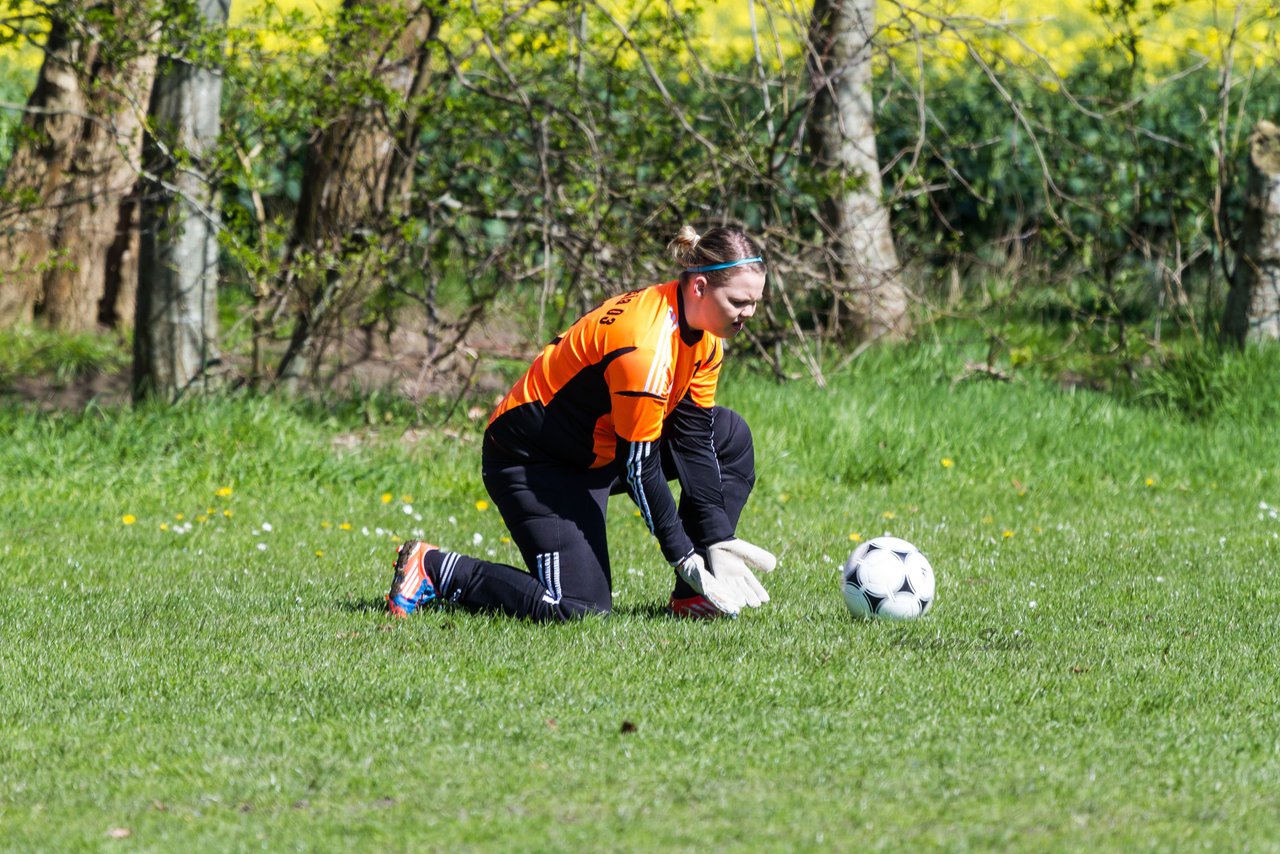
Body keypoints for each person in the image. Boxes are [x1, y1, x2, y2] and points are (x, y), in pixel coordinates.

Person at [385, 224, 778, 622]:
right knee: (580, 610)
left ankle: (694, 598)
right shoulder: (646, 347)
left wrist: (715, 540)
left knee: (729, 436)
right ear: (698, 287)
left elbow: (694, 441)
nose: (749, 314)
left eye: (755, 302)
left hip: (597, 451)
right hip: (535, 463)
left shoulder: (707, 336)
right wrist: (682, 555)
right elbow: (640, 469)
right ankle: (435, 567)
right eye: (739, 301)